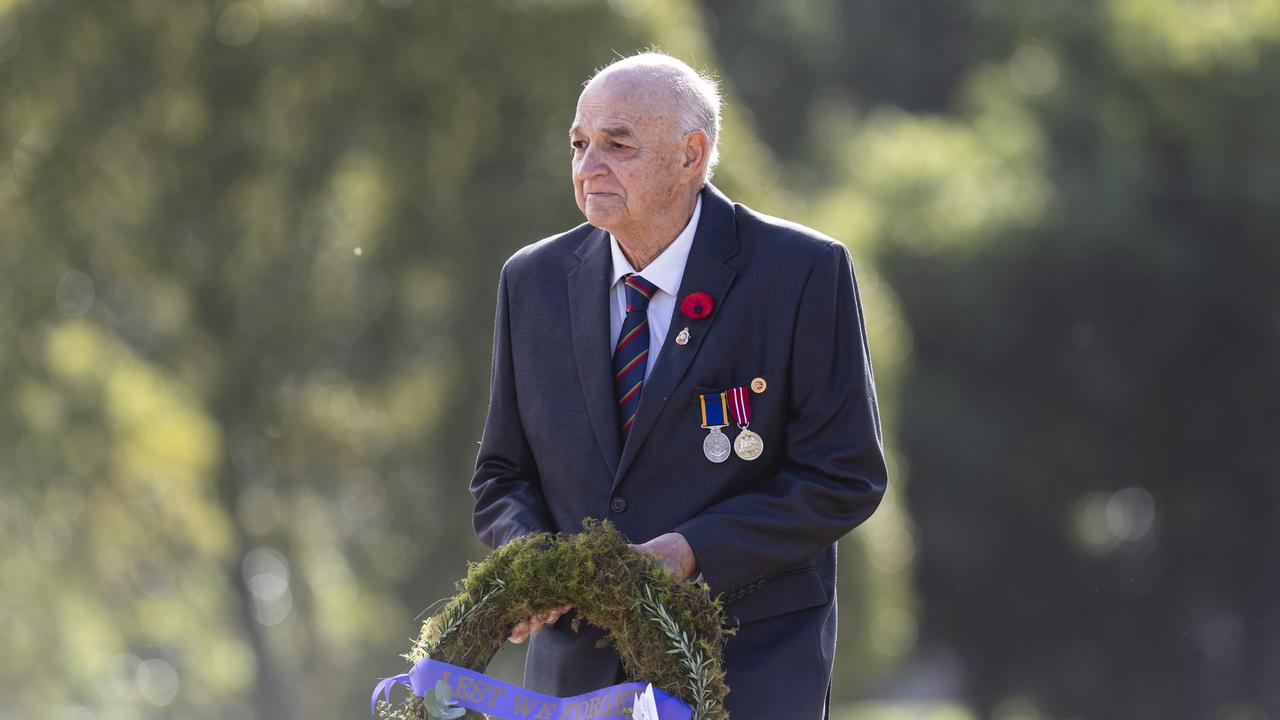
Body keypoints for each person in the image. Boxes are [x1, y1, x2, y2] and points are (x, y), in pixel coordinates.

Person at [470, 51, 888, 719]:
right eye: (579, 143)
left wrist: (690, 552)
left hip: (746, 669)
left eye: (617, 144)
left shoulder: (802, 272)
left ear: (692, 155)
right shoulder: (532, 280)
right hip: (578, 676)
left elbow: (844, 477)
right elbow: (500, 474)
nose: (587, 166)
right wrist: (532, 563)